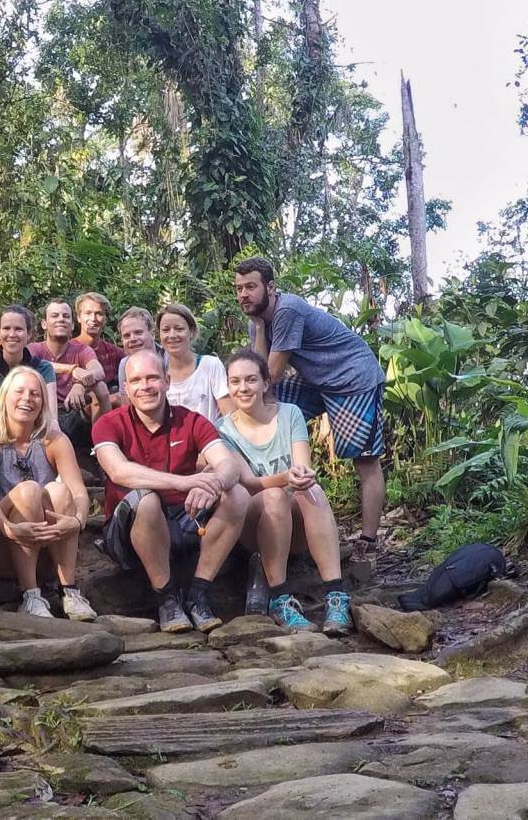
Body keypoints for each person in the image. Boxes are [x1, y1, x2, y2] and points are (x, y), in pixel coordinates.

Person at [92, 350, 250, 633]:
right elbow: (119, 471)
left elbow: (228, 465)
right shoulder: (109, 423)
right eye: (136, 380)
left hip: (184, 518)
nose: (145, 386)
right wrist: (185, 482)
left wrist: (214, 483)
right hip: (128, 531)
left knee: (237, 494)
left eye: (152, 378)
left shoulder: (190, 421)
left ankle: (198, 594)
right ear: (126, 388)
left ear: (166, 381)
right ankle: (166, 599)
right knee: (147, 499)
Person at [235, 256, 386, 544]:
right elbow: (259, 371)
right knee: (266, 404)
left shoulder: (288, 310)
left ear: (270, 287)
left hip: (353, 379)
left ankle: (369, 540)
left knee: (365, 460)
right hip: (318, 381)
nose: (244, 294)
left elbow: (273, 374)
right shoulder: (257, 322)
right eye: (239, 288)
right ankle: (274, 493)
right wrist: (256, 326)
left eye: (251, 287)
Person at [218, 349, 353, 635]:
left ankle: (336, 596)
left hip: (296, 522)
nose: (243, 388)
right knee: (274, 494)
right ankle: (280, 600)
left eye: (251, 380)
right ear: (228, 387)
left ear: (266, 383)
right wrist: (285, 477)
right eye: (236, 381)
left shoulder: (289, 414)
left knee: (310, 488)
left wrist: (301, 475)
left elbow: (302, 466)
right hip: (254, 527)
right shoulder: (223, 431)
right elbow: (250, 482)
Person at [0, 366, 98, 621]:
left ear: (43, 402)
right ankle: (30, 595)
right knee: (29, 491)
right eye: (19, 392)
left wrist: (77, 520)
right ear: (4, 397)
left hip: (46, 543)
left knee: (59, 491)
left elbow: (79, 492)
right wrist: (8, 527)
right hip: (1, 543)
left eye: (35, 393)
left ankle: (69, 591)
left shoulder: (55, 441)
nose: (27, 399)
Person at [28, 298, 110, 442]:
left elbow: (98, 371)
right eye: (55, 316)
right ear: (44, 324)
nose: (61, 319)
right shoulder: (34, 349)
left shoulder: (82, 350)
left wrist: (80, 384)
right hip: (42, 413)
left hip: (73, 411)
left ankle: (102, 444)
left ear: (72, 325)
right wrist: (71, 369)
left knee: (101, 388)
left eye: (66, 316)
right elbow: (30, 363)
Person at [0, 305, 58, 428]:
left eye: (18, 329)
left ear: (29, 334)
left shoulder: (44, 369)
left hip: (36, 433)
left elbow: (51, 417)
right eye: (6, 328)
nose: (12, 334)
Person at [157, 303, 234, 422]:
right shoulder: (157, 373)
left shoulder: (210, 365)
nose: (172, 335)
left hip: (210, 438)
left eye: (179, 329)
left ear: (191, 332)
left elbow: (230, 416)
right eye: (166, 330)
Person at [74, 292, 124, 395]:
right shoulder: (68, 350)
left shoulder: (114, 353)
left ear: (105, 319)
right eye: (88, 313)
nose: (93, 318)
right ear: (79, 317)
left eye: (99, 314)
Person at [116, 307, 167, 401]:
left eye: (138, 333)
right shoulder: (124, 364)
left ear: (152, 333)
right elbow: (126, 403)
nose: (133, 339)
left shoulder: (168, 358)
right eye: (127, 336)